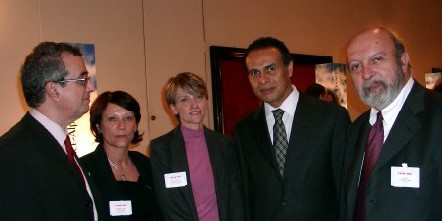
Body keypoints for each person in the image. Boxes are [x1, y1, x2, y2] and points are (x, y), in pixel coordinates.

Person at [233, 37, 351, 221]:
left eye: (270, 69)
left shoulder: (331, 118)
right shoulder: (244, 130)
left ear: (289, 68)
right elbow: (247, 196)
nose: (263, 79)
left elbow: (345, 187)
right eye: (254, 73)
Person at [344, 27, 442, 221]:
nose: (366, 74)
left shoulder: (437, 116)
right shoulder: (357, 129)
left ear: (403, 61)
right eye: (356, 66)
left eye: (377, 59)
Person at [0, 42, 100, 220]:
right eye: (82, 80)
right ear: (53, 90)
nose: (91, 87)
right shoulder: (12, 156)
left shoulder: (60, 145)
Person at [150, 72, 244, 221]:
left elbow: (236, 198)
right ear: (173, 107)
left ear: (206, 101)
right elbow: (169, 204)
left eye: (199, 97)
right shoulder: (162, 148)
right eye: (185, 99)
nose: (194, 105)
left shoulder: (225, 144)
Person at [80, 91, 163, 221]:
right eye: (112, 119)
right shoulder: (84, 169)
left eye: (128, 118)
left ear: (135, 125)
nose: (122, 126)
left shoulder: (147, 165)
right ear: (98, 126)